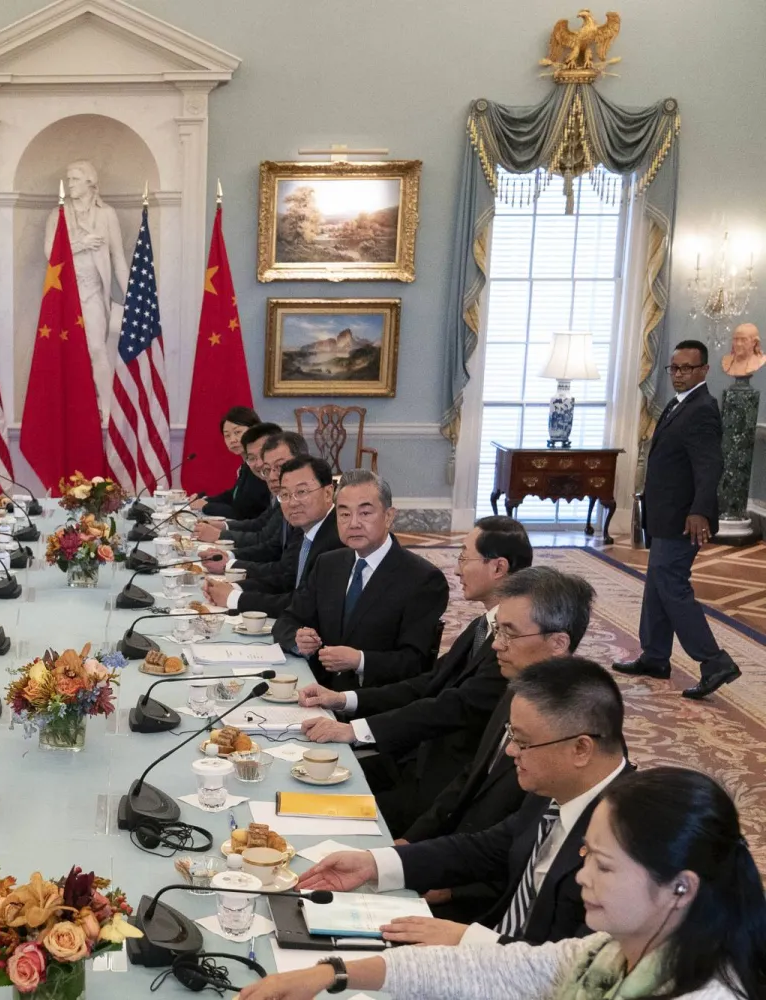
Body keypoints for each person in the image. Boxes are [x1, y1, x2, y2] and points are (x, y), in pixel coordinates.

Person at [241, 767, 766, 1000]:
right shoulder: (612, 950)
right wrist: (331, 973)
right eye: (586, 855)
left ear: (681, 886)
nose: (582, 876)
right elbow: (498, 970)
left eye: (604, 866)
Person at [299, 658, 631, 948]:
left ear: (581, 749)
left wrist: (465, 940)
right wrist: (374, 864)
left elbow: (584, 966)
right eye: (512, 737)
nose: (512, 752)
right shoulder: (559, 788)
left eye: (524, 742)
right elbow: (486, 848)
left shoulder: (632, 840)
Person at [295, 516, 532, 833]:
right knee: (302, 779)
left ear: (499, 568)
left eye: (463, 557)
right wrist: (344, 700)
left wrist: (354, 732)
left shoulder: (513, 646)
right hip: (410, 760)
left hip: (440, 789)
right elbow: (429, 682)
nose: (457, 569)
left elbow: (449, 706)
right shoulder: (483, 625)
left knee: (322, 814)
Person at [401, 567, 595, 920]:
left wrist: (453, 890)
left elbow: (533, 854)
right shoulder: (518, 691)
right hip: (459, 859)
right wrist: (410, 844)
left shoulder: (572, 732)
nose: (495, 645)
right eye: (498, 630)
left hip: (487, 904)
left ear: (558, 643)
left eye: (509, 633)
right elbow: (470, 777)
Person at [615, 340, 740, 699]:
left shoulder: (702, 409)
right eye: (674, 368)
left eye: (687, 368)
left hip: (685, 518)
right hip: (666, 515)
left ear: (704, 370)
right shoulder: (678, 403)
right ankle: (655, 656)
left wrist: (699, 510)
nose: (679, 375)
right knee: (657, 584)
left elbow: (710, 464)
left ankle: (714, 661)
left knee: (672, 586)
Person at [271, 470, 448, 690]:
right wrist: (297, 639)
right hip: (316, 690)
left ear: (389, 516)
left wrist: (360, 661)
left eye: (365, 513)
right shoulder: (328, 564)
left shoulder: (423, 579)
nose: (353, 523)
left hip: (374, 704)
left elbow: (416, 663)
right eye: (344, 514)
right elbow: (287, 620)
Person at [43, 159, 129, 424]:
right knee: (64, 352)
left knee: (95, 348)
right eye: (68, 179)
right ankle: (70, 407)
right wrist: (81, 243)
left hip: (93, 289)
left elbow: (118, 259)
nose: (69, 184)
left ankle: (105, 408)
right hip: (65, 292)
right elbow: (50, 253)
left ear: (90, 182)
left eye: (75, 179)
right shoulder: (58, 214)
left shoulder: (106, 214)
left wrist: (131, 298)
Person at [203, 455, 343, 616]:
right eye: (285, 495)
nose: (292, 502)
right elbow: (287, 580)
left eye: (302, 492)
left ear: (327, 493)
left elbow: (308, 604)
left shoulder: (338, 539)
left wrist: (236, 599)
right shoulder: (304, 527)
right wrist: (235, 587)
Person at [194, 426, 299, 550]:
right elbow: (260, 523)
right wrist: (222, 526)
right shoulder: (254, 473)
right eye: (251, 458)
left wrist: (220, 534)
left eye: (237, 432)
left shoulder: (287, 491)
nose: (259, 464)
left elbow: (263, 537)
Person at [195, 407, 275, 520]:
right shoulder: (246, 466)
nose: (232, 440)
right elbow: (234, 495)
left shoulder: (261, 467)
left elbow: (245, 513)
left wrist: (206, 506)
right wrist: (205, 500)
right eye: (227, 435)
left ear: (254, 430)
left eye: (237, 432)